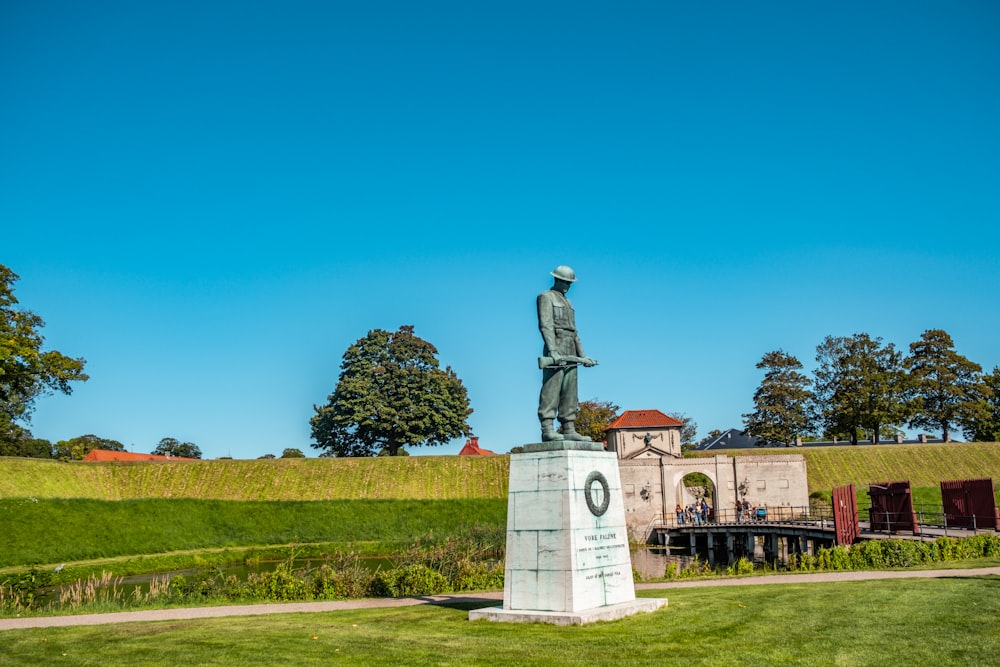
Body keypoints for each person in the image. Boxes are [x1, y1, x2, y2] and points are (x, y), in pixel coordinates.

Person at [536, 265, 597, 441]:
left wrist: (583, 355)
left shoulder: (568, 302)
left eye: (570, 283)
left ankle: (569, 427)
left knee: (570, 390)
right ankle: (547, 428)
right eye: (566, 282)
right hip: (556, 345)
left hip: (571, 348)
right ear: (558, 280)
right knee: (552, 388)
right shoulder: (545, 297)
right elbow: (545, 325)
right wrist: (553, 350)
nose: (568, 286)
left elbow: (575, 331)